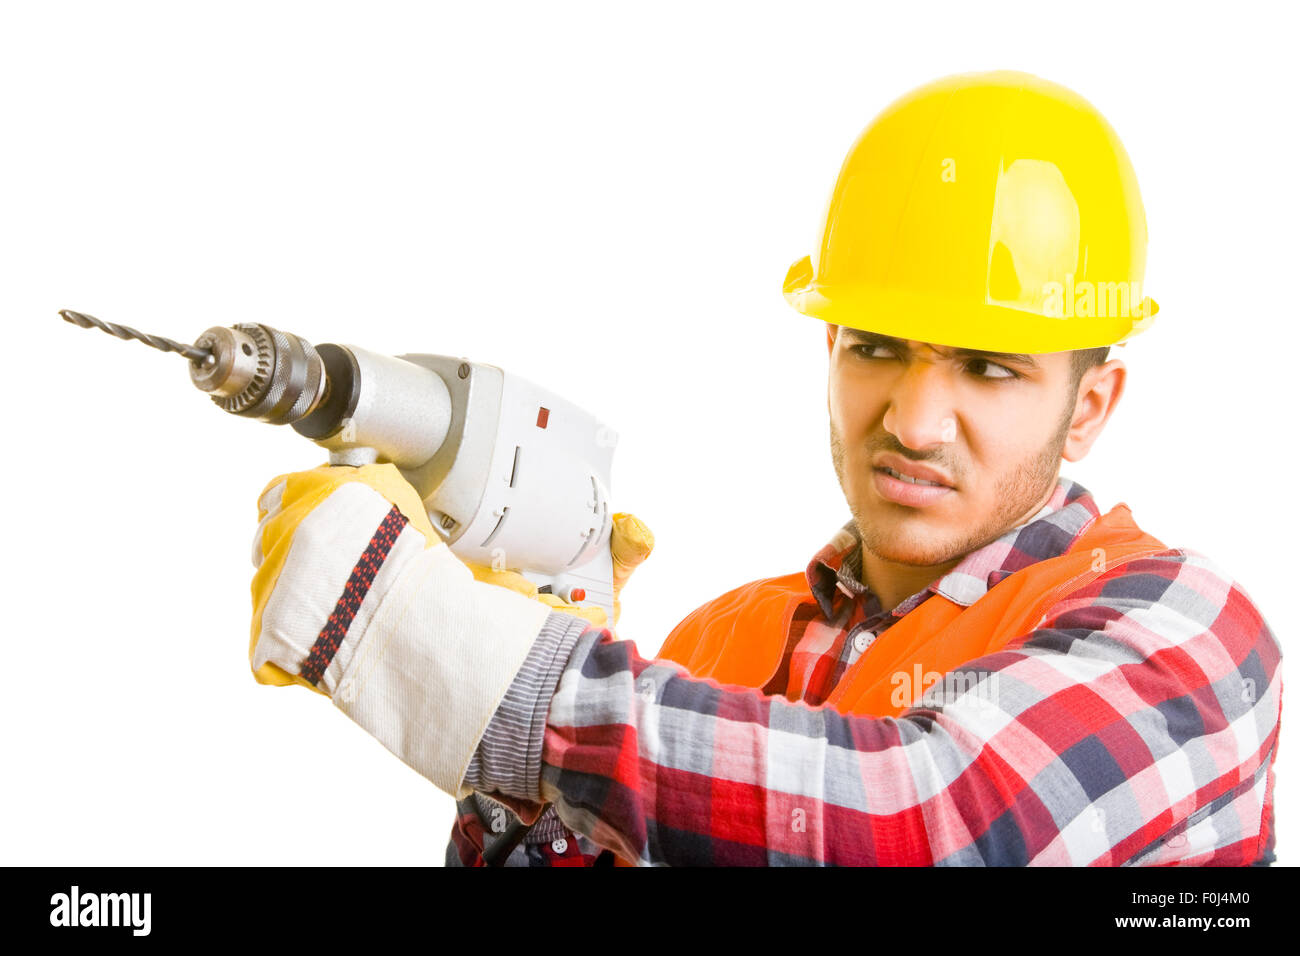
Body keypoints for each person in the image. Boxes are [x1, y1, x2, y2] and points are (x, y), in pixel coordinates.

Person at [248, 70, 1282, 866]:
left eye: (988, 368)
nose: (915, 421)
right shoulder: (718, 649)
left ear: (1088, 404)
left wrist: (435, 640)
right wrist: (531, 730)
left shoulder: (1188, 636)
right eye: (876, 346)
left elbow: (922, 823)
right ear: (827, 345)